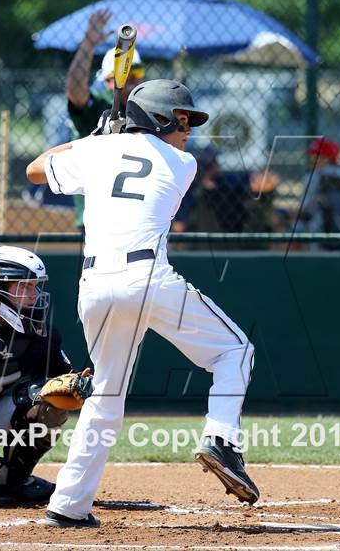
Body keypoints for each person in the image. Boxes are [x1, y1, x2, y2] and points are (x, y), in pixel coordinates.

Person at [27, 79, 259, 528]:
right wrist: (109, 141)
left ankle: (69, 505)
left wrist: (91, 140)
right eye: (182, 118)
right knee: (235, 351)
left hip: (94, 285)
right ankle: (222, 440)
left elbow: (36, 169)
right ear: (159, 118)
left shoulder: (100, 152)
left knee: (105, 397)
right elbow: (136, 157)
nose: (187, 129)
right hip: (148, 279)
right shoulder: (181, 163)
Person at [0, 246, 85, 503]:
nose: (33, 295)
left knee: (49, 396)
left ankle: (10, 482)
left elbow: (67, 381)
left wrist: (80, 385)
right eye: (23, 287)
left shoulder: (41, 338)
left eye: (35, 287)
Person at [66, 9, 145, 229]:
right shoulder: (99, 104)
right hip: (98, 217)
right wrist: (88, 45)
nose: (129, 78)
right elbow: (75, 92)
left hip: (140, 217)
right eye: (122, 74)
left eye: (136, 72)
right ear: (107, 80)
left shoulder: (148, 109)